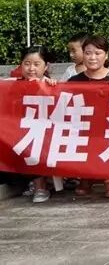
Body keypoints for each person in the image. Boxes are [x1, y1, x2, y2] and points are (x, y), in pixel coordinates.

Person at [68, 35, 109, 199]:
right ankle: (85, 177)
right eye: (88, 53)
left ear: (106, 55)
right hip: (84, 126)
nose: (92, 57)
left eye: (97, 53)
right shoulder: (74, 81)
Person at [11, 46, 55, 203]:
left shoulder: (51, 85)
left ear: (46, 66)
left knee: (34, 141)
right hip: (18, 129)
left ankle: (40, 186)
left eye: (36, 64)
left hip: (44, 131)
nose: (31, 69)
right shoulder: (14, 85)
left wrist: (45, 88)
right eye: (27, 64)